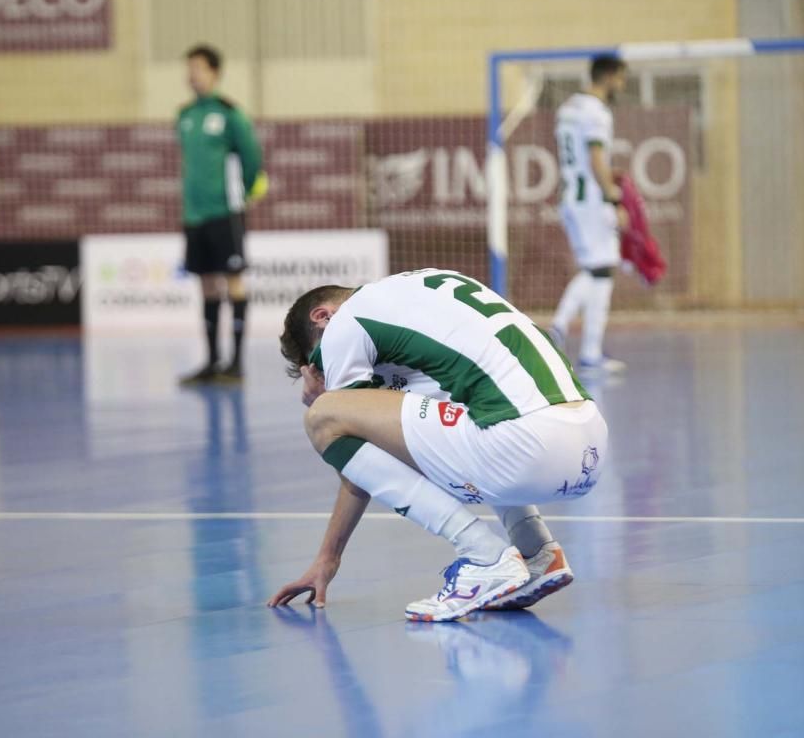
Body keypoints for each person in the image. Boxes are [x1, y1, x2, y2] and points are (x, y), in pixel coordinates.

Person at [267, 269, 609, 622]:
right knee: (469, 410)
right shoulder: (422, 292)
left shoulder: (345, 323)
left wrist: (324, 399)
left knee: (323, 416)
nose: (325, 373)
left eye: (320, 363)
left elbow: (354, 449)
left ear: (323, 317)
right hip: (588, 444)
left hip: (526, 449)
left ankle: (483, 556)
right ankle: (537, 551)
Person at [176, 44, 266, 385]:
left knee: (233, 281)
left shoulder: (230, 114)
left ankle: (236, 364)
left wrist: (241, 192)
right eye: (189, 68)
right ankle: (212, 361)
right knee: (206, 285)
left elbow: (252, 157)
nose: (192, 74)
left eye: (198, 67)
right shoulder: (184, 115)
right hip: (194, 215)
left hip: (224, 213)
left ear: (214, 72)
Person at [549, 55, 629, 373]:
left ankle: (588, 350)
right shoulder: (597, 113)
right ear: (608, 77)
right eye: (621, 78)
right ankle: (560, 327)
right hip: (590, 200)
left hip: (573, 195)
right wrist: (612, 198)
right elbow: (596, 159)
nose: (622, 86)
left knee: (600, 270)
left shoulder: (568, 108)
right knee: (599, 271)